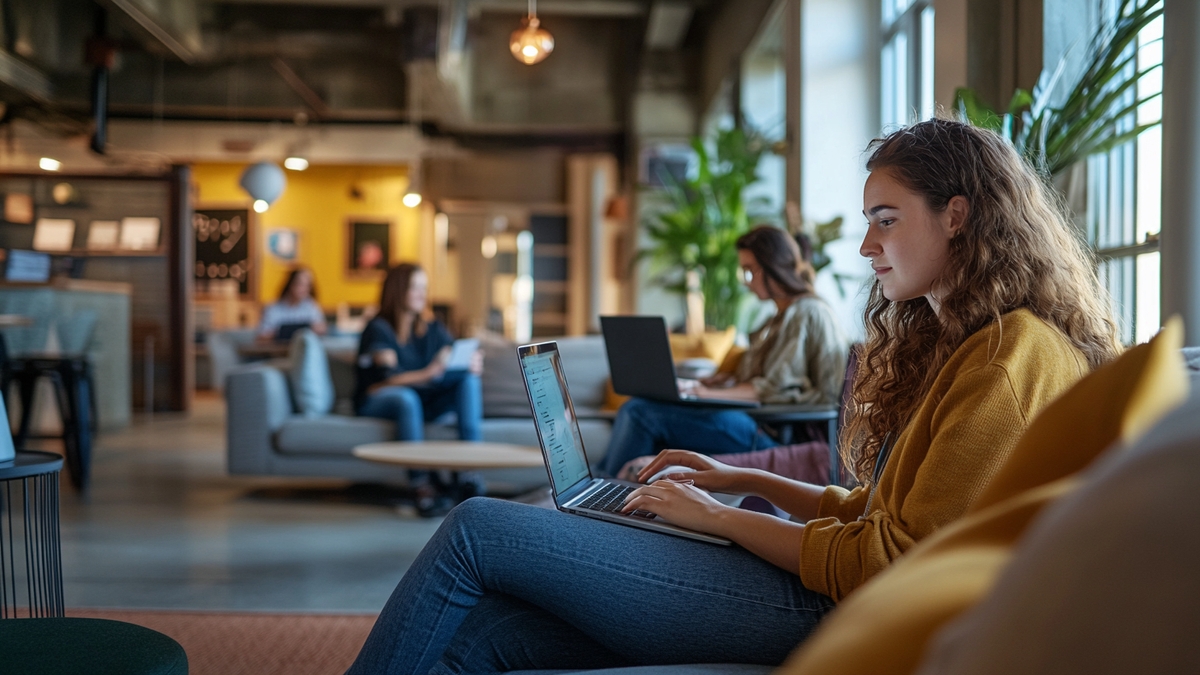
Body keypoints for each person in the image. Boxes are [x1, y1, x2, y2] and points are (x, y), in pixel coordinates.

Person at [344, 119, 1123, 675]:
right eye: (867, 222)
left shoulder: (1011, 359)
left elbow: (886, 562)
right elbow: (877, 512)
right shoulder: (972, 345)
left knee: (477, 527)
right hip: (832, 591)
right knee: (487, 634)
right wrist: (734, 482)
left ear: (957, 215)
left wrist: (719, 518)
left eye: (886, 220)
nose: (864, 246)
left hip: (842, 610)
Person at [600, 224, 849, 477]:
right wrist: (719, 383)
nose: (747, 283)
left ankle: (605, 491)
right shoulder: (779, 317)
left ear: (772, 267)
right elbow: (766, 379)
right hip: (759, 420)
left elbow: (774, 388)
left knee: (640, 412)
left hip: (777, 431)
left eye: (749, 271)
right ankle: (603, 484)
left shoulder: (806, 313)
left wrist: (705, 393)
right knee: (642, 405)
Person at [355, 263, 484, 509]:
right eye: (415, 287)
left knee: (468, 380)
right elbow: (387, 378)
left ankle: (469, 475)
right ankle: (420, 485)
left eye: (424, 288)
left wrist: (471, 362)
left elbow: (453, 351)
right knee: (406, 398)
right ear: (398, 289)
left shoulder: (431, 327)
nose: (422, 294)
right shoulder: (378, 328)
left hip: (423, 400)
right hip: (378, 398)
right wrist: (428, 373)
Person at [256, 267, 327, 341]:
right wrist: (286, 332)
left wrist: (314, 329)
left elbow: (322, 328)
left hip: (303, 350)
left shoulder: (311, 306)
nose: (304, 289)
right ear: (290, 284)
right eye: (300, 284)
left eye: (308, 285)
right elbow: (261, 337)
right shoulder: (273, 308)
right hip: (277, 351)